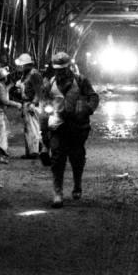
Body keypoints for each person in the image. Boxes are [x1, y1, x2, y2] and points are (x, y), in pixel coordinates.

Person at [42, 51, 99, 208]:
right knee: (57, 160)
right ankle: (58, 193)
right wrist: (44, 133)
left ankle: (77, 185)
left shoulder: (81, 81)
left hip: (77, 127)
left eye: (63, 69)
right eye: (57, 69)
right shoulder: (50, 84)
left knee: (77, 157)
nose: (60, 71)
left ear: (69, 67)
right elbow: (44, 104)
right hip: (57, 126)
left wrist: (86, 109)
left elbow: (94, 97)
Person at [0, 66, 22, 164]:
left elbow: (4, 92)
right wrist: (17, 104)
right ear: (4, 77)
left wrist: (10, 85)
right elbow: (4, 100)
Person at [14, 52, 44, 158]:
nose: (20, 67)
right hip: (26, 103)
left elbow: (39, 91)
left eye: (21, 65)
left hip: (32, 104)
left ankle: (35, 151)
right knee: (28, 128)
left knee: (33, 128)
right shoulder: (25, 75)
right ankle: (30, 151)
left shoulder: (34, 74)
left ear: (27, 65)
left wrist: (34, 103)